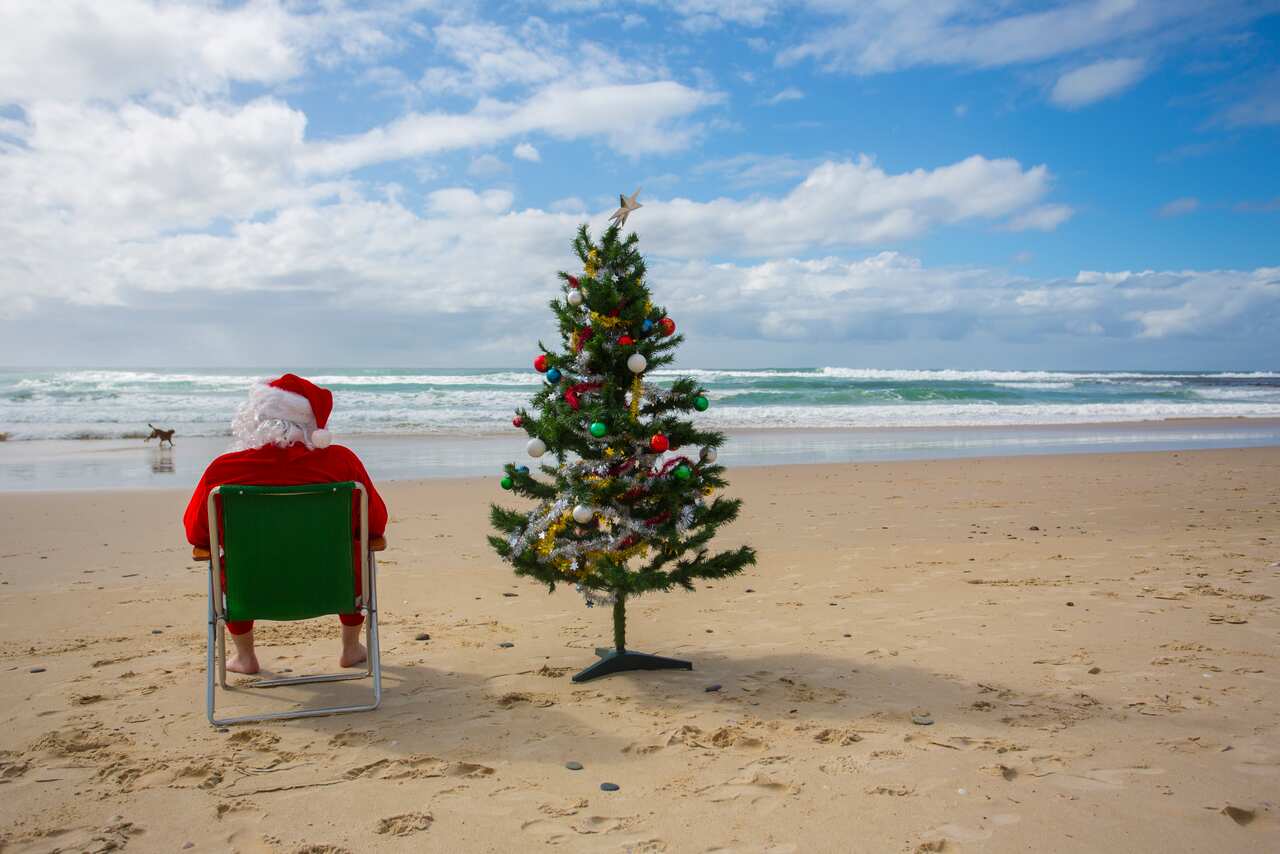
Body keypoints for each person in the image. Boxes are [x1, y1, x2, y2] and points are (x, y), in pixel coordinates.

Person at [183, 373, 387, 675]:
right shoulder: (342, 464)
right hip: (332, 583)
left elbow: (197, 534)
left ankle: (244, 656)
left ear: (256, 418)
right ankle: (351, 648)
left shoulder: (223, 470)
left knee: (231, 563)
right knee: (356, 557)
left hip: (251, 588)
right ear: (310, 425)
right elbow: (376, 525)